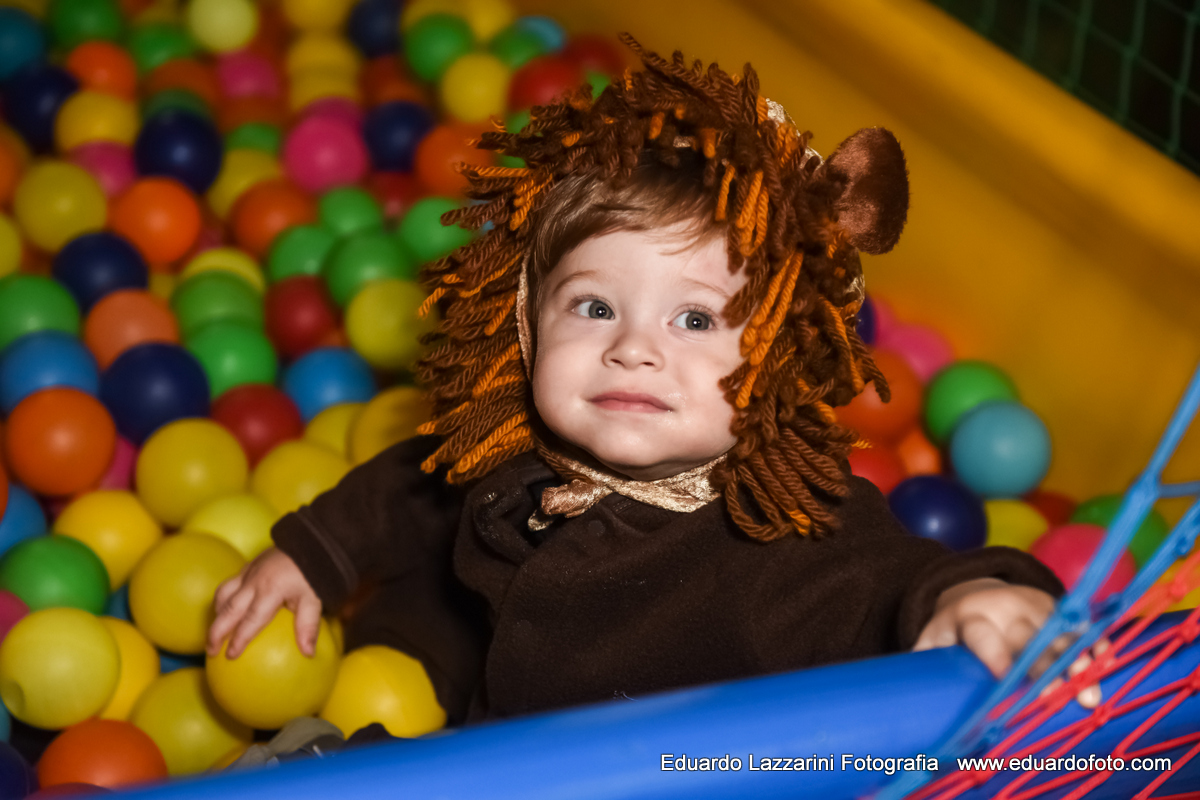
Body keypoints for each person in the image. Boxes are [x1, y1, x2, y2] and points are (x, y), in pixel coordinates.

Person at [207, 34, 1074, 741]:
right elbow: (415, 487)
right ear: (526, 322)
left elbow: (896, 580)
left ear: (773, 353)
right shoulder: (515, 456)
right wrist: (316, 555)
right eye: (592, 305)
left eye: (695, 321)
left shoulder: (786, 528)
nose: (631, 349)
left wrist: (974, 597)